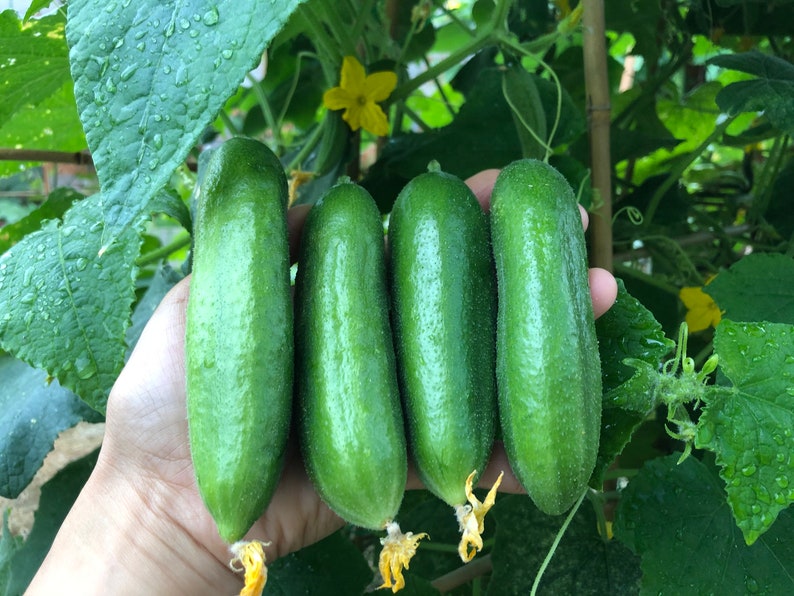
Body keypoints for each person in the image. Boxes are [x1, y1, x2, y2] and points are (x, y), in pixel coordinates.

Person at [26, 170, 618, 595]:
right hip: (274, 484)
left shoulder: (348, 219)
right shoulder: (327, 220)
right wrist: (163, 513)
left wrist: (156, 518)